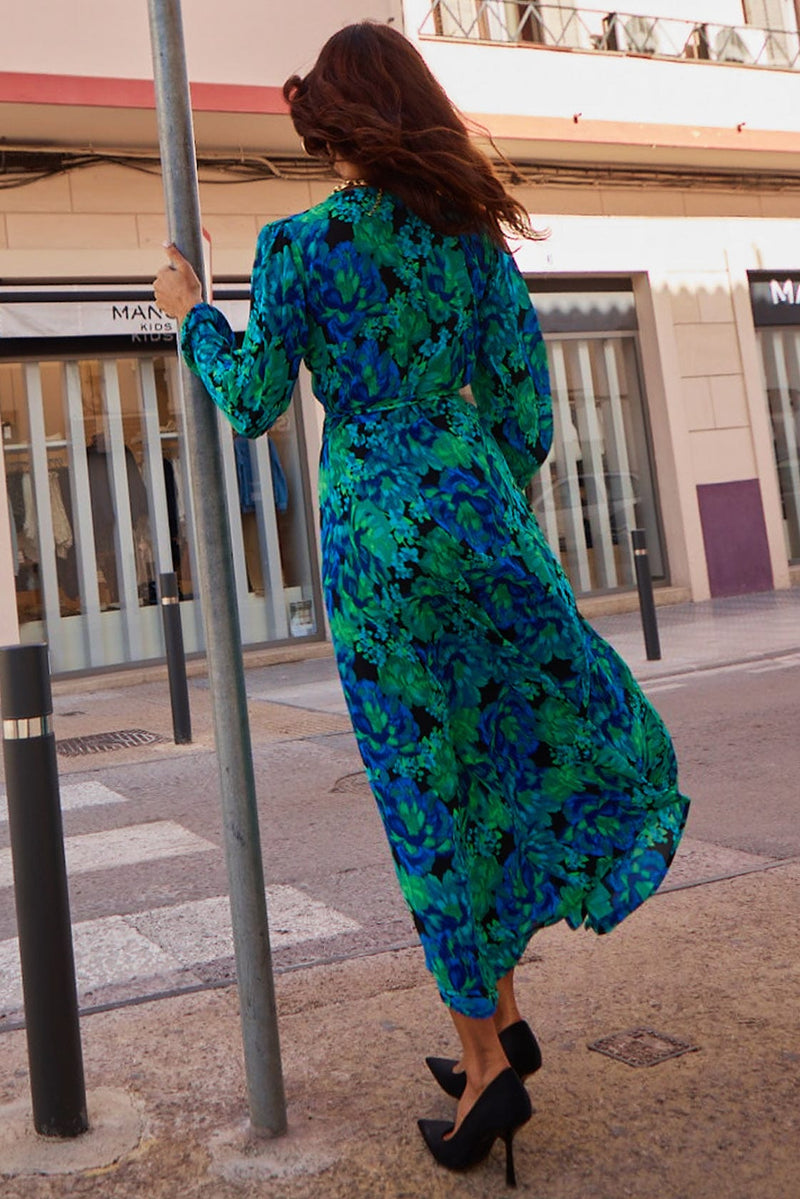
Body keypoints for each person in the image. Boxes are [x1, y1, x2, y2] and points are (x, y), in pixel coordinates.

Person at [154, 21, 689, 1186]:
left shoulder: (300, 243)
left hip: (375, 541)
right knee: (501, 756)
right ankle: (496, 1016)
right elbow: (527, 418)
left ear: (334, 123)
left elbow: (248, 399)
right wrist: (472, 492)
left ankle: (485, 1061)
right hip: (478, 518)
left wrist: (187, 309)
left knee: (421, 785)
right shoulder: (470, 236)